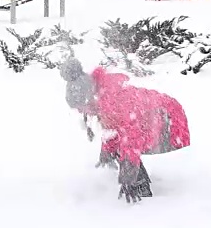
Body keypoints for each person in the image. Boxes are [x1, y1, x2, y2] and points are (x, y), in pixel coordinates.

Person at [59, 57, 190, 204]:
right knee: (120, 149)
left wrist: (128, 178)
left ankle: (143, 195)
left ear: (89, 99)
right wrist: (106, 154)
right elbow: (112, 132)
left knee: (126, 149)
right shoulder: (102, 96)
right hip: (153, 117)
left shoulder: (114, 102)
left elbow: (131, 138)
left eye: (81, 107)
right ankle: (140, 185)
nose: (80, 111)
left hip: (169, 117)